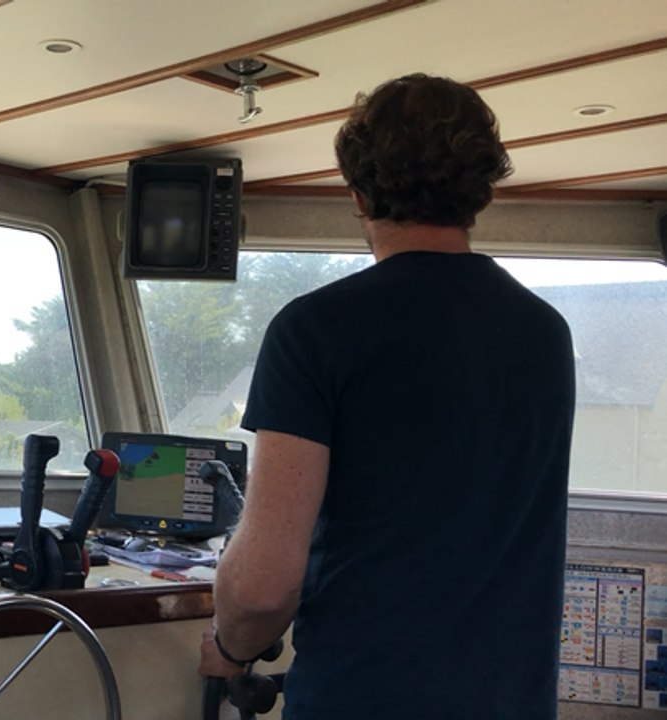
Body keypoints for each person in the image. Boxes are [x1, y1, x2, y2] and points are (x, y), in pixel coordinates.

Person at [198, 74, 576, 719]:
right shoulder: (545, 332)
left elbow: (262, 586)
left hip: (365, 697)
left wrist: (230, 650)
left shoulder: (316, 329)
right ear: (479, 192)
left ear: (357, 193)